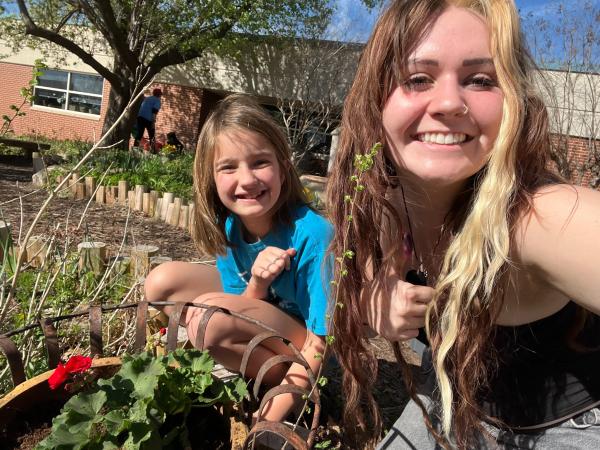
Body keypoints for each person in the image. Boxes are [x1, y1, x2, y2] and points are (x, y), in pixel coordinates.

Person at [326, 1, 600, 449]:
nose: (451, 103)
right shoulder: (384, 197)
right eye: (417, 78)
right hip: (455, 405)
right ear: (376, 100)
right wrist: (376, 289)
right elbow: (366, 268)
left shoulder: (535, 219)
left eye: (480, 80)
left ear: (512, 101)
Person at [144, 94, 331, 424]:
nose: (247, 180)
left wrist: (269, 418)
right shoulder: (231, 226)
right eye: (228, 167)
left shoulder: (314, 235)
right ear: (211, 179)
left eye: (260, 162)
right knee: (161, 284)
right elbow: (237, 302)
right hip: (263, 320)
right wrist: (258, 282)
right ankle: (233, 353)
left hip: (306, 343)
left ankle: (276, 379)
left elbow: (320, 343)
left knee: (208, 322)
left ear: (283, 169)